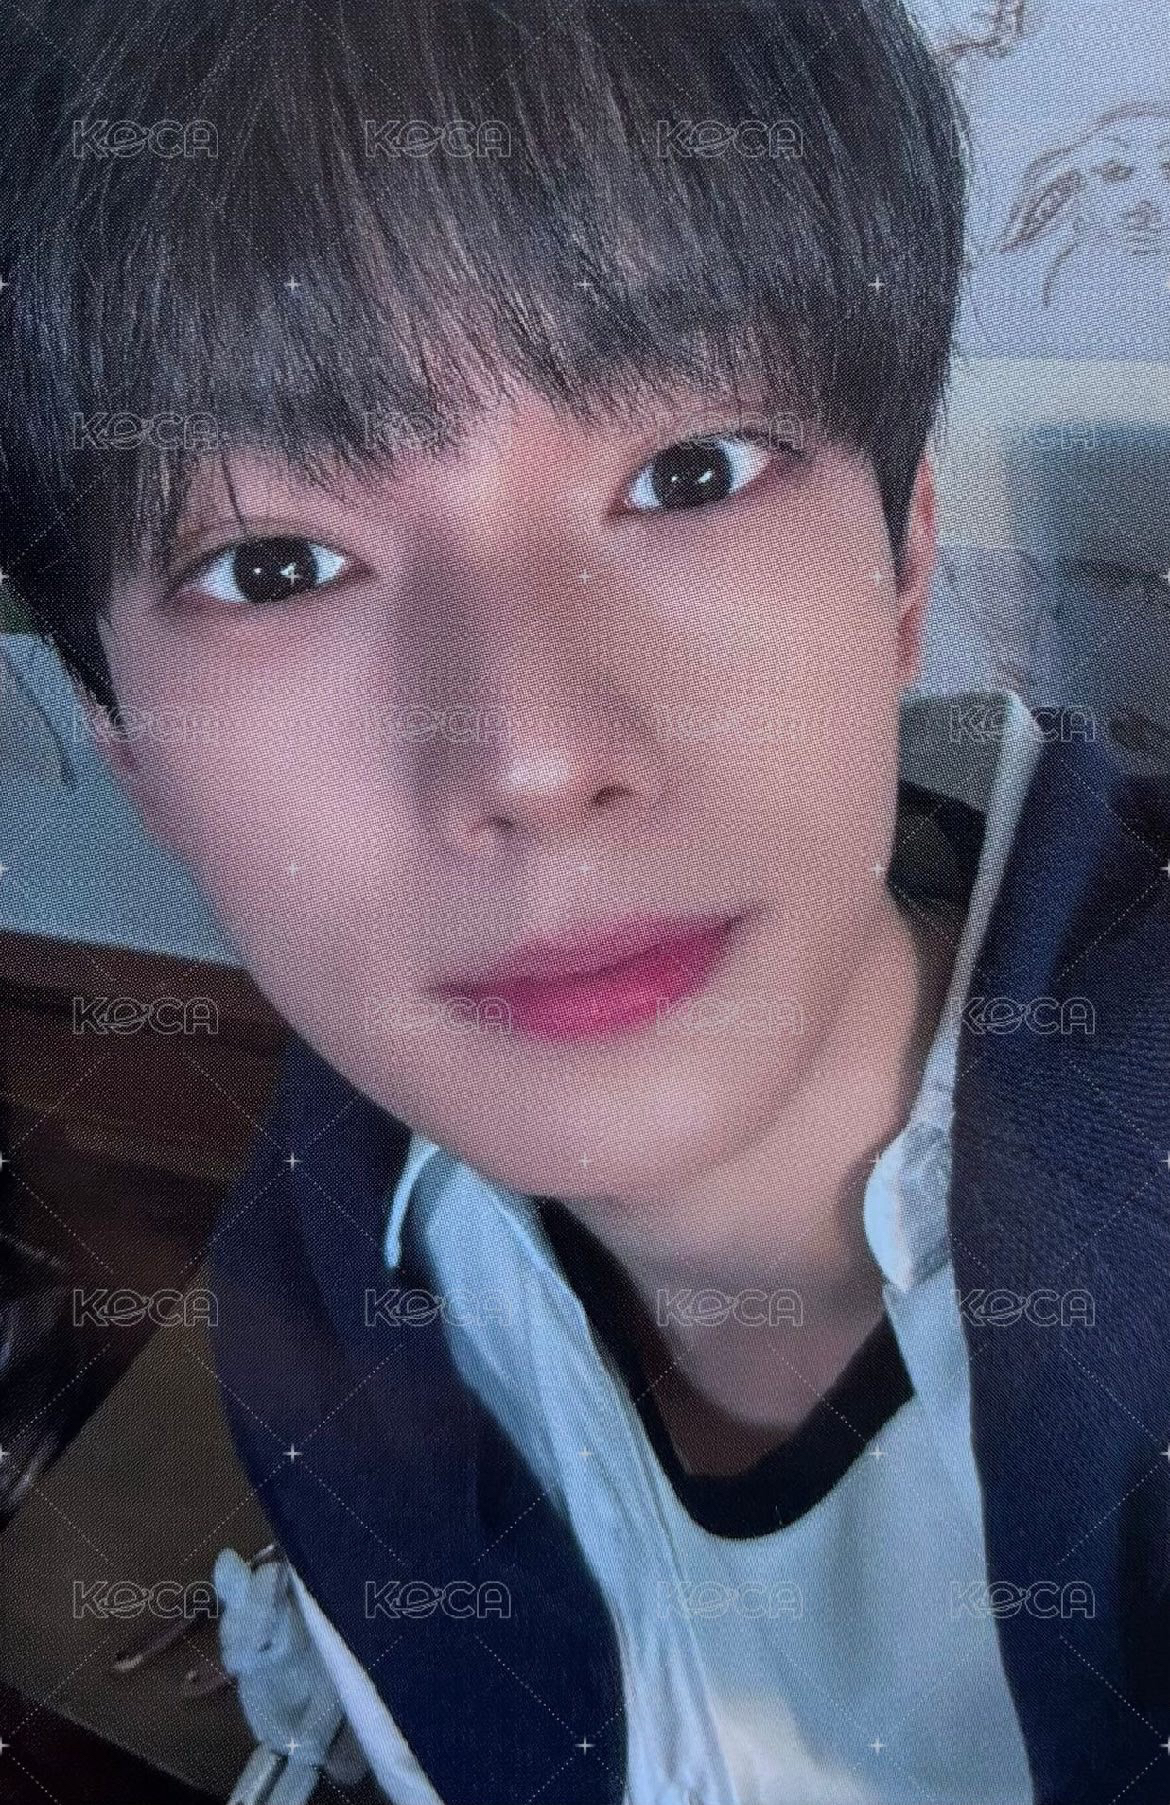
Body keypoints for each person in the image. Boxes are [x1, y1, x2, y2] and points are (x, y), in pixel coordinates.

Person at [4, 1, 1170, 1799]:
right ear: (138, 759)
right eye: (277, 563)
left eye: (687, 472)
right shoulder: (313, 1272)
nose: (534, 757)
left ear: (900, 563)